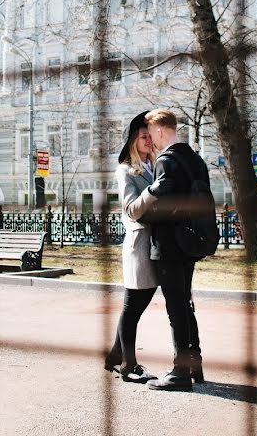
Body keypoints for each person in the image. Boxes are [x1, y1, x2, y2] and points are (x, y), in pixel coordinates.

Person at [134, 108, 208, 392]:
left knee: (175, 306)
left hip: (169, 244)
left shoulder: (167, 161)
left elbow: (162, 205)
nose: (151, 140)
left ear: (161, 131)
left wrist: (141, 215)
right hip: (191, 241)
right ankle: (195, 361)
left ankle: (179, 371)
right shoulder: (195, 159)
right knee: (186, 302)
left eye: (151, 134)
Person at [103, 111, 158, 384]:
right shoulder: (126, 169)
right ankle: (128, 364)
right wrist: (156, 190)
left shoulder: (156, 166)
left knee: (137, 304)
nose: (149, 140)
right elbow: (130, 208)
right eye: (143, 136)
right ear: (133, 140)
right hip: (139, 245)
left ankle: (115, 354)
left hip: (157, 246)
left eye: (151, 135)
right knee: (133, 305)